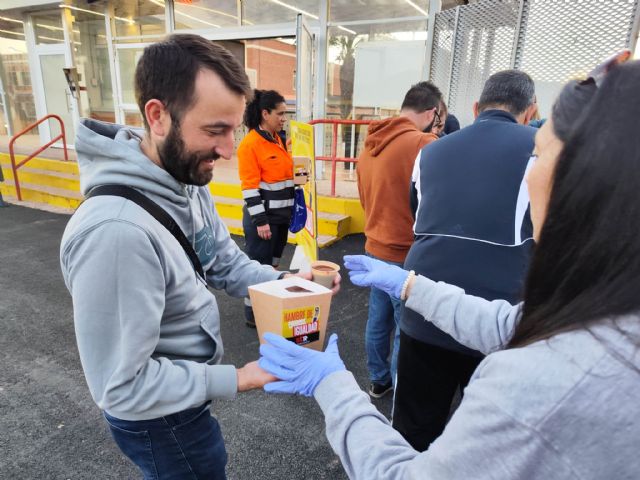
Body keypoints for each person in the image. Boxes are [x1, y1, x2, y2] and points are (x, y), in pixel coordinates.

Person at [258, 56, 640, 479]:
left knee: (409, 412)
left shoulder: (543, 383)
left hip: (403, 273)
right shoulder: (605, 316)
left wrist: (330, 385)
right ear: (528, 111)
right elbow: (508, 323)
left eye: (538, 153)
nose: (529, 174)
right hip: (443, 278)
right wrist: (409, 285)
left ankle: (379, 380)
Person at [59, 34, 338, 479]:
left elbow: (223, 262)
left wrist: (291, 283)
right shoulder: (116, 233)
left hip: (185, 398)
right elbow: (121, 388)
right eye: (215, 130)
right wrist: (239, 377)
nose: (229, 150)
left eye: (234, 129)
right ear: (158, 117)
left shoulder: (185, 181)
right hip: (160, 419)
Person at [400, 69, 538, 450]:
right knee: (486, 445)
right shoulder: (541, 151)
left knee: (414, 432)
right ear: (530, 111)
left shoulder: (429, 152)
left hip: (423, 307)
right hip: (498, 318)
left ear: (476, 108)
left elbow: (417, 212)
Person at [356, 81, 442, 398]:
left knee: (378, 320)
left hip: (374, 246)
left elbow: (365, 199)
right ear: (432, 112)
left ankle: (379, 380)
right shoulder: (424, 144)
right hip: (407, 253)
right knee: (406, 328)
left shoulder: (370, 144)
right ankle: (401, 396)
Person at [237, 89, 294, 327]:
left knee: (272, 265)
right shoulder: (250, 144)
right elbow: (249, 187)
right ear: (265, 113)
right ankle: (254, 316)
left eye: (285, 114)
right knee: (258, 268)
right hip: (265, 221)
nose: (284, 118)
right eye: (280, 114)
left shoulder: (279, 140)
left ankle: (267, 306)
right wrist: (261, 222)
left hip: (281, 219)